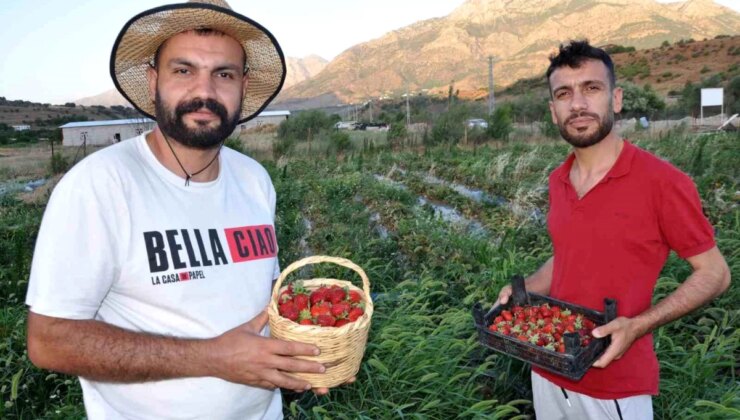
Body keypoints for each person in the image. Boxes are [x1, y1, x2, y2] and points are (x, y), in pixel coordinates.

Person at [25, 1, 338, 419]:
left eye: (223, 74)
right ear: (155, 78)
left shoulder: (254, 179)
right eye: (183, 70)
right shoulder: (100, 185)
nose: (204, 92)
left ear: (243, 85)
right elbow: (49, 341)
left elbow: (252, 307)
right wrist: (210, 358)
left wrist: (306, 354)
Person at [496, 40, 730, 419]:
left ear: (616, 99)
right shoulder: (558, 180)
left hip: (613, 384)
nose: (577, 104)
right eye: (564, 94)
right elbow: (570, 257)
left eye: (591, 88)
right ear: (553, 112)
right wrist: (523, 290)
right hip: (547, 369)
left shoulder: (662, 182)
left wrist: (638, 326)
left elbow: (715, 274)